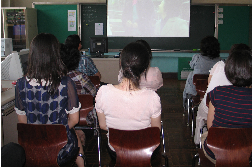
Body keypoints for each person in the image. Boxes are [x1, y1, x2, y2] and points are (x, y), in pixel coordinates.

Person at [14, 33, 85, 166]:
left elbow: (23, 122)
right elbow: (74, 120)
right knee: (75, 135)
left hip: (32, 147)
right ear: (55, 55)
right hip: (61, 148)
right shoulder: (66, 83)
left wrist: (42, 134)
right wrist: (54, 133)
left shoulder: (20, 84)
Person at [202, 46, 252, 164]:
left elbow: (211, 127)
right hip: (245, 153)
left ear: (229, 71)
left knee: (205, 134)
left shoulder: (217, 93)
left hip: (215, 152)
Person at [95, 42, 161, 165]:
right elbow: (155, 130)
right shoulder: (152, 97)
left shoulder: (103, 92)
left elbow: (103, 126)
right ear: (145, 68)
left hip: (116, 150)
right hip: (145, 150)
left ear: (120, 63)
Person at [194, 43, 251, 145]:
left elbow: (209, 84)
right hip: (242, 145)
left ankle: (200, 142)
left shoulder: (219, 65)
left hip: (210, 110)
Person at [60, 43, 97, 147]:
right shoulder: (80, 76)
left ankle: (75, 134)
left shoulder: (55, 79)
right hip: (83, 117)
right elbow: (94, 93)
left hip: (62, 120)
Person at [182, 36, 221, 109]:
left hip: (196, 93)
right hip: (215, 93)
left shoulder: (197, 58)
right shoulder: (220, 62)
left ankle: (186, 103)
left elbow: (192, 66)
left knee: (191, 75)